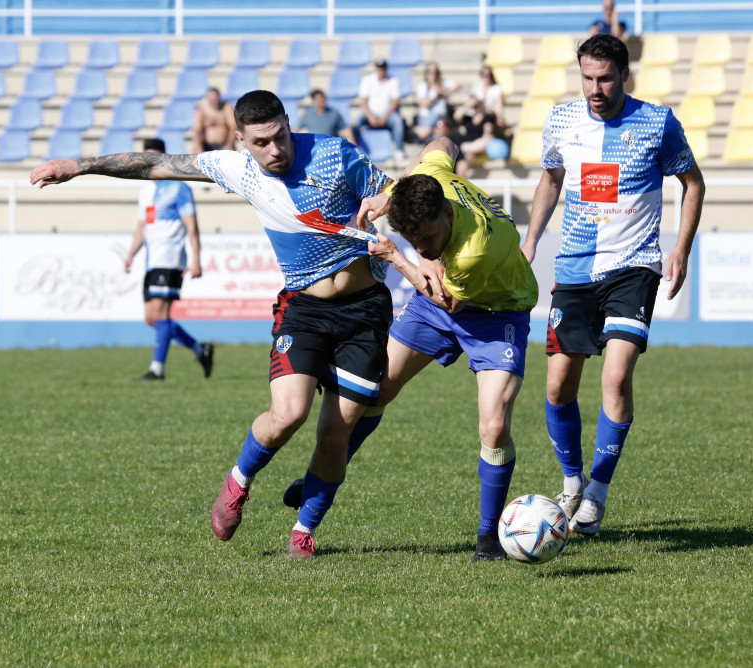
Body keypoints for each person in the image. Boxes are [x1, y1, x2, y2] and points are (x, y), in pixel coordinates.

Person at [30, 90, 393, 560]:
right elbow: (154, 165)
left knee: (335, 433)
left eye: (281, 136)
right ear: (241, 140)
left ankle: (304, 531)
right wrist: (80, 165)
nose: (275, 150)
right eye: (261, 142)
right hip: (305, 309)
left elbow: (392, 193)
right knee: (287, 415)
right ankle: (238, 482)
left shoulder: (334, 155)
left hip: (365, 311)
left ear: (288, 122)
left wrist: (399, 220)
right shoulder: (236, 169)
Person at [284, 136, 540, 561]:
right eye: (411, 238)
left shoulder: (472, 251)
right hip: (433, 305)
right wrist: (389, 194)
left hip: (496, 313)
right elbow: (442, 140)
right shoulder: (432, 179)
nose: (423, 248)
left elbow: (448, 299)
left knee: (494, 426)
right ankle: (321, 479)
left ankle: (487, 539)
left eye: (426, 239)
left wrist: (398, 255)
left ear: (446, 212)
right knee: (373, 391)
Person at [520, 34, 705, 535]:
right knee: (558, 386)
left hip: (633, 266)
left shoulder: (657, 122)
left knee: (616, 378)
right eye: (587, 78)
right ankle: (572, 481)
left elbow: (693, 183)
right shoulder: (562, 120)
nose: (595, 88)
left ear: (625, 75)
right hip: (574, 269)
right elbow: (551, 179)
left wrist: (681, 248)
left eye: (604, 78)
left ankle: (597, 494)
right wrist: (531, 238)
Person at [123, 137, 214, 382]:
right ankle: (199, 349)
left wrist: (196, 259)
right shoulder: (145, 191)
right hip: (151, 262)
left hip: (171, 258)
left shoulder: (178, 188)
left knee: (161, 315)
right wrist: (131, 254)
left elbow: (192, 226)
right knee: (152, 318)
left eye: (155, 158)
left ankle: (157, 369)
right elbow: (142, 226)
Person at [452, 66, 505, 177]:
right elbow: (456, 116)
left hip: (479, 147)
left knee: (471, 147)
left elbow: (487, 136)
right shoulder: (469, 118)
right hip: (471, 150)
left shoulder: (487, 118)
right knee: (467, 156)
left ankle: (463, 148)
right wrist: (469, 103)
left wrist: (468, 146)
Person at [355, 58, 406, 161]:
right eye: (379, 68)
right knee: (356, 123)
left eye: (383, 68)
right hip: (370, 114)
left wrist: (384, 117)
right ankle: (355, 148)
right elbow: (363, 102)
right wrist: (371, 116)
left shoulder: (393, 81)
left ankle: (399, 149)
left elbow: (395, 102)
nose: (381, 70)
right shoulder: (368, 80)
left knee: (398, 121)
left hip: (387, 114)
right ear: (376, 68)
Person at [412, 62, 459, 143]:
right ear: (426, 74)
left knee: (440, 125)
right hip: (427, 117)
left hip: (441, 118)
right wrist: (435, 96)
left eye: (435, 72)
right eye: (430, 72)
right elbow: (423, 104)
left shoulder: (442, 84)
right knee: (439, 126)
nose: (433, 75)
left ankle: (424, 137)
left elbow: (459, 85)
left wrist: (446, 93)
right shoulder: (423, 86)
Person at [192, 87, 236, 152]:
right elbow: (197, 130)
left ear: (219, 97)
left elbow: (233, 127)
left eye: (216, 97)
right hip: (206, 146)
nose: (214, 99)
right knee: (195, 151)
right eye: (211, 97)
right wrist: (199, 147)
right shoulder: (201, 110)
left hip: (224, 145)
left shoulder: (226, 108)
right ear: (207, 98)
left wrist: (229, 144)